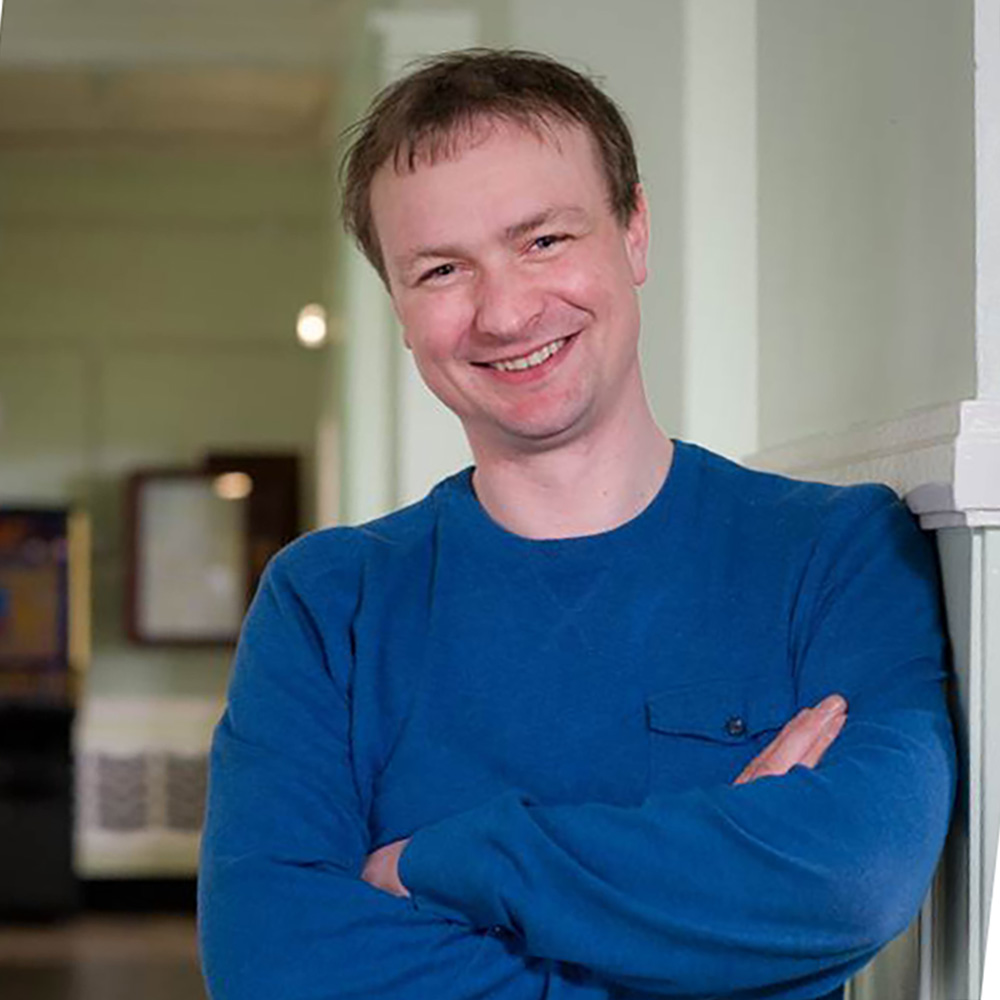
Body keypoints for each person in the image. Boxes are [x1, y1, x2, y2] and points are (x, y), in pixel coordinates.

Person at [198, 49, 955, 1000]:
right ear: (398, 305)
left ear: (634, 232)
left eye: (544, 240)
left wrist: (447, 863)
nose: (507, 311)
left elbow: (854, 878)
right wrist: (714, 934)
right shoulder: (326, 603)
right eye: (441, 269)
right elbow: (274, 966)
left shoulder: (836, 553)